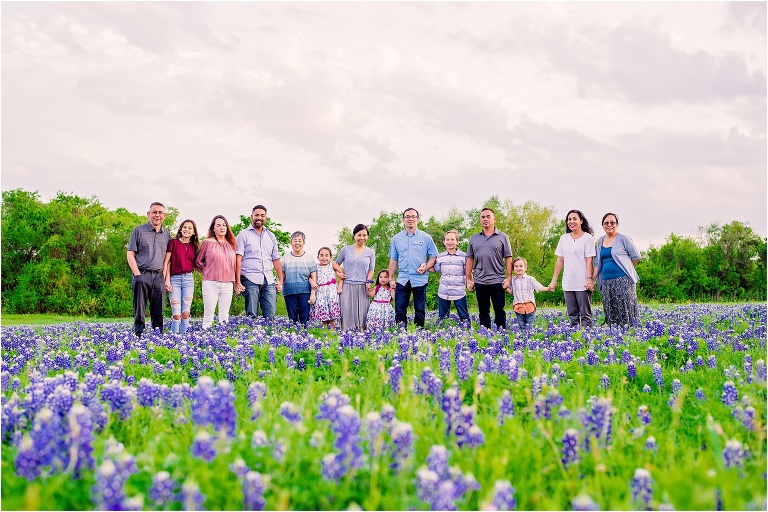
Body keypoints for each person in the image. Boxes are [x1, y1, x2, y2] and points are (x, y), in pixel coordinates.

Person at [387, 208, 438, 328]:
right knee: (399, 310)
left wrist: (426, 267)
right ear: (403, 220)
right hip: (402, 278)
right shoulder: (396, 239)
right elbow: (393, 260)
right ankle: (400, 333)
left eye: (413, 217)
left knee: (420, 310)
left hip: (420, 278)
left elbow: (433, 257)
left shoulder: (426, 237)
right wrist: (390, 278)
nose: (410, 219)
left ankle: (418, 333)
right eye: (407, 217)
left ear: (418, 219)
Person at [127, 202, 171, 337]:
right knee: (139, 308)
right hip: (142, 274)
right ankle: (138, 335)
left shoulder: (167, 234)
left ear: (164, 215)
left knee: (158, 310)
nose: (157, 215)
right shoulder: (139, 230)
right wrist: (137, 274)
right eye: (154, 212)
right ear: (149, 214)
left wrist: (166, 278)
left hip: (159, 276)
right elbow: (130, 254)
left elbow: (168, 260)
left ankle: (157, 336)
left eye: (160, 213)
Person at [466, 208, 513, 329]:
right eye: (483, 217)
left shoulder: (503, 237)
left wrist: (509, 278)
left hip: (498, 280)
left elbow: (508, 258)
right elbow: (470, 259)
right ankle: (485, 335)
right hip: (480, 280)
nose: (485, 219)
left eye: (488, 216)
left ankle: (501, 334)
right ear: (480, 220)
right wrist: (468, 279)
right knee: (483, 311)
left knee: (499, 310)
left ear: (494, 219)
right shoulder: (473, 238)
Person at [549, 209, 596, 329]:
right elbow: (560, 260)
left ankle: (587, 338)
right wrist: (554, 280)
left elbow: (589, 260)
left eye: (574, 219)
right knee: (572, 315)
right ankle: (575, 338)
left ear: (581, 221)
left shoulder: (588, 238)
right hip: (568, 281)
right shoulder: (563, 238)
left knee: (585, 314)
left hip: (583, 281)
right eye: (569, 219)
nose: (571, 221)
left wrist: (590, 279)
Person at [592, 212, 641, 327]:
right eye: (606, 223)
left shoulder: (624, 239)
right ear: (603, 225)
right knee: (611, 309)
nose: (609, 224)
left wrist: (625, 268)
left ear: (617, 224)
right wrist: (592, 279)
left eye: (612, 222)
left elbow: (636, 256)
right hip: (606, 282)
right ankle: (614, 333)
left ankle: (630, 333)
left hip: (623, 281)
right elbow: (597, 262)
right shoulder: (600, 241)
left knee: (625, 309)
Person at [235, 205, 283, 319]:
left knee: (270, 315)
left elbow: (276, 259)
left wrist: (280, 280)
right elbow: (238, 258)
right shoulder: (243, 235)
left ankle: (268, 336)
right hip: (249, 277)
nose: (259, 217)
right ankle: (251, 336)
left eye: (262, 215)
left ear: (266, 218)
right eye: (256, 215)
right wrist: (237, 282)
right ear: (251, 216)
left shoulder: (271, 236)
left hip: (269, 279)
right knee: (252, 314)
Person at [196, 215, 237, 329]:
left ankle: (222, 339)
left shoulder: (231, 243)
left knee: (224, 316)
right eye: (218, 225)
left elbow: (235, 263)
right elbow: (198, 261)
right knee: (209, 314)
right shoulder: (207, 242)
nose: (222, 228)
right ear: (213, 228)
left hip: (228, 283)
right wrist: (208, 270)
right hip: (211, 283)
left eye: (224, 225)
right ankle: (205, 338)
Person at [334, 224, 375, 331]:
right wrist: (339, 273)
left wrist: (369, 282)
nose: (362, 238)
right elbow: (336, 264)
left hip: (363, 287)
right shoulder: (345, 250)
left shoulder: (370, 252)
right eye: (359, 235)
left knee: (362, 312)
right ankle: (346, 335)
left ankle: (361, 336)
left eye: (365, 235)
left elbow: (371, 270)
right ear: (354, 236)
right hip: (347, 285)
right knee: (346, 311)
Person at [163, 219, 199, 335]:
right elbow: (167, 262)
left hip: (188, 279)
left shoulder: (195, 246)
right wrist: (166, 280)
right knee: (176, 313)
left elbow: (198, 263)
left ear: (193, 232)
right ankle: (174, 338)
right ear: (181, 229)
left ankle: (184, 338)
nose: (186, 230)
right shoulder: (173, 242)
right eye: (184, 227)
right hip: (175, 279)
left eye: (190, 228)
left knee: (185, 312)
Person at [431, 229, 469, 325]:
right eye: (447, 240)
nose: (450, 242)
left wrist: (470, 282)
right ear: (444, 242)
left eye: (452, 239)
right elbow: (435, 269)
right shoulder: (440, 256)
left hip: (459, 291)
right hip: (444, 290)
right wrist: (424, 267)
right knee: (442, 317)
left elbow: (468, 272)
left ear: (457, 241)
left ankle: (467, 332)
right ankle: (442, 335)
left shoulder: (464, 256)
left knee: (464, 316)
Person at [281, 231, 318, 326]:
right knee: (292, 318)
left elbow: (313, 276)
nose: (297, 243)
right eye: (295, 241)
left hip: (305, 291)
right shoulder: (285, 256)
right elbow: (282, 274)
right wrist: (279, 284)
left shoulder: (309, 256)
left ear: (303, 243)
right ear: (291, 243)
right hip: (289, 291)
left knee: (305, 317)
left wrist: (313, 294)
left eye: (300, 241)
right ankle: (292, 338)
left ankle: (305, 338)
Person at [506, 257, 551, 329]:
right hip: (518, 307)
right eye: (516, 266)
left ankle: (529, 337)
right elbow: (512, 292)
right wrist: (505, 287)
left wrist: (549, 288)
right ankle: (523, 338)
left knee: (530, 326)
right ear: (513, 268)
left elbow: (540, 288)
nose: (518, 268)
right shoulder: (512, 280)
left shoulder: (530, 279)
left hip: (529, 306)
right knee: (521, 326)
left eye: (521, 266)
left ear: (525, 268)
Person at [309, 247, 342, 330]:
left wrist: (340, 287)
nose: (324, 257)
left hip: (331, 291)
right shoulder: (315, 266)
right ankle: (324, 333)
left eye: (326, 255)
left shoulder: (333, 264)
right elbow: (309, 277)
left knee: (332, 316)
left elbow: (342, 275)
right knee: (322, 314)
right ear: (318, 257)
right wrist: (312, 282)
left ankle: (332, 332)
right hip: (320, 291)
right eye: (321, 255)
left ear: (330, 257)